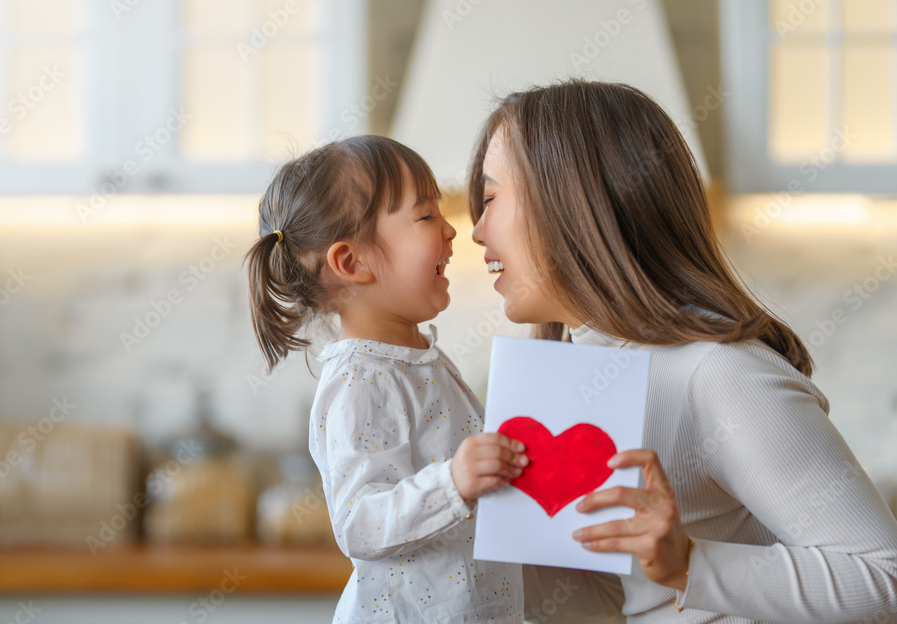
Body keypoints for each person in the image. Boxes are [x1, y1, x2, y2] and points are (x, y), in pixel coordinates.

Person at [467, 79, 897, 622]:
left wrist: (688, 563)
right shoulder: (572, 375)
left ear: (573, 203)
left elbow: (885, 579)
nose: (477, 232)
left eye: (489, 199)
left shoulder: (719, 373)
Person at [246, 135, 527, 622]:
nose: (452, 230)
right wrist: (454, 482)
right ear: (352, 263)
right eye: (425, 216)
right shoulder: (363, 379)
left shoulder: (412, 359)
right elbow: (359, 524)